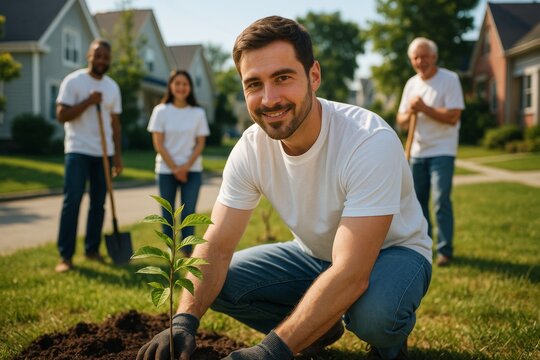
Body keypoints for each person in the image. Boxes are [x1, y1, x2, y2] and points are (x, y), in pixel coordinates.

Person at [137, 16, 432, 360]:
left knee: (374, 316)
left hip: (392, 253)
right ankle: (314, 331)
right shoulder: (251, 148)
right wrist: (183, 321)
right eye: (254, 84)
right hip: (312, 254)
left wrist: (270, 351)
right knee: (219, 283)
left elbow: (352, 272)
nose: (269, 99)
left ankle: (389, 342)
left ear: (314, 76)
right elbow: (215, 247)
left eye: (283, 78)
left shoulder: (368, 140)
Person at [54, 39, 122, 273]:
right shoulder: (73, 81)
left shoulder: (112, 87)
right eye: (98, 55)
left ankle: (92, 250)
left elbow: (115, 124)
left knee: (98, 203)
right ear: (88, 56)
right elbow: (61, 115)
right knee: (72, 201)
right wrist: (88, 101)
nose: (102, 60)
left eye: (106, 56)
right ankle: (66, 256)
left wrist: (118, 157)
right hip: (77, 150)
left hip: (103, 153)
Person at [397, 37, 465, 267]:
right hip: (417, 151)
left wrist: (424, 108)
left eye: (424, 56)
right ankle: (423, 247)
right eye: (415, 57)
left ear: (434, 57)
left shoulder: (449, 79)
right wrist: (411, 112)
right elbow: (401, 120)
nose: (420, 61)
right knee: (417, 203)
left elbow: (454, 116)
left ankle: (445, 250)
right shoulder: (411, 84)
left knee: (440, 200)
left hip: (443, 150)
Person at [147, 70, 210, 254]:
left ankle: (187, 249)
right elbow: (158, 143)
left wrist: (185, 167)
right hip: (166, 170)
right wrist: (175, 168)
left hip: (192, 170)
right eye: (177, 83)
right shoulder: (161, 111)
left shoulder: (198, 112)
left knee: (188, 212)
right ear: (171, 86)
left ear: (190, 88)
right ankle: (171, 248)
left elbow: (200, 143)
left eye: (185, 84)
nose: (181, 87)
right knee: (167, 213)